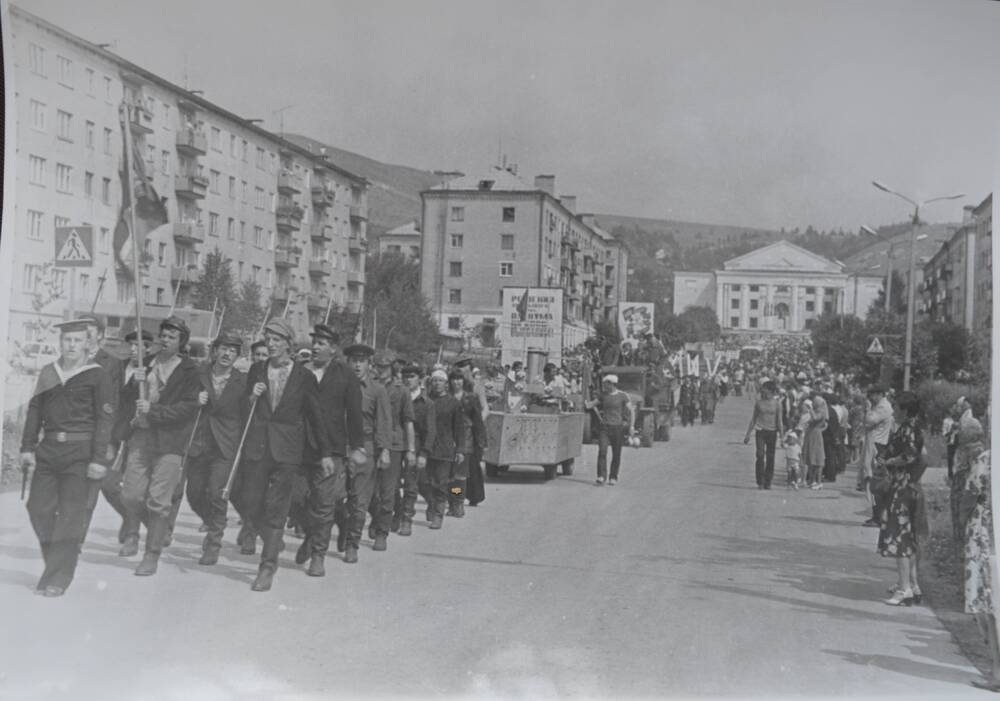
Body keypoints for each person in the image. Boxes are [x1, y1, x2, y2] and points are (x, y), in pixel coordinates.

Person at [21, 319, 115, 596]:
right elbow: (34, 411)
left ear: (88, 343)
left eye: (77, 340)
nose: (72, 346)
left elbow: (105, 420)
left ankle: (59, 576)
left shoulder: (98, 375)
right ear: (60, 342)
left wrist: (99, 459)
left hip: (80, 454)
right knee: (38, 508)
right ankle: (55, 565)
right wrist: (27, 447)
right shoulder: (49, 372)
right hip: (48, 451)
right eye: (67, 340)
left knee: (71, 515)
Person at [240, 319, 322, 591]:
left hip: (287, 450)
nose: (271, 344)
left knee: (276, 507)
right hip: (258, 447)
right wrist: (252, 396)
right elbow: (244, 408)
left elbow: (315, 417)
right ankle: (273, 540)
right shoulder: (256, 370)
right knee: (250, 503)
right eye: (268, 339)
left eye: (276, 340)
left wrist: (324, 453)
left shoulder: (304, 377)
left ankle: (267, 566)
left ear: (289, 344)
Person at [121, 316, 200, 576]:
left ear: (181, 343)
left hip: (170, 442)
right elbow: (128, 399)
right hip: (141, 437)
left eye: (171, 337)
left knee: (158, 501)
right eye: (163, 335)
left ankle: (151, 554)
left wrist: (153, 411)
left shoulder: (190, 371)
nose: (165, 340)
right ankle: (160, 526)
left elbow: (187, 409)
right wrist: (136, 381)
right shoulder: (148, 363)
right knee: (131, 495)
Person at [295, 325, 364, 576]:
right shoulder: (301, 372)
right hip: (300, 448)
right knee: (295, 499)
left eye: (321, 343)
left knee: (324, 504)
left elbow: (355, 415)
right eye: (314, 342)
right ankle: (311, 535)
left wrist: (357, 447)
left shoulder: (346, 375)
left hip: (333, 449)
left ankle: (318, 555)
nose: (315, 347)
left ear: (333, 349)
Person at [184, 334, 247, 566]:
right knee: (194, 494)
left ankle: (213, 543)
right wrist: (194, 399)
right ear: (215, 351)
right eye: (223, 349)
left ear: (237, 356)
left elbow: (247, 411)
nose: (227, 354)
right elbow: (182, 400)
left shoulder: (243, 381)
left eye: (233, 350)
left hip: (225, 446)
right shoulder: (198, 375)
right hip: (200, 442)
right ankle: (213, 523)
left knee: (216, 493)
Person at [340, 343, 390, 563]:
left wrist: (385, 450)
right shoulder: (338, 386)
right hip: (340, 447)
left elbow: (383, 422)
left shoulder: (377, 390)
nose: (357, 365)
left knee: (360, 501)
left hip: (366, 448)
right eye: (353, 360)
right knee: (335, 497)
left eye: (362, 361)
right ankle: (346, 525)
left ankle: (353, 544)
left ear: (370, 364)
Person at [877, 391, 927, 606]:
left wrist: (888, 462)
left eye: (897, 406)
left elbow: (910, 456)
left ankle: (904, 587)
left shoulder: (908, 429)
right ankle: (911, 583)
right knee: (908, 536)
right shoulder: (914, 427)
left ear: (905, 409)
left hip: (902, 486)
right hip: (907, 484)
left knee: (899, 537)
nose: (894, 410)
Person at [961, 446, 999, 691]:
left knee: (989, 603)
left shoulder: (986, 459)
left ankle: (997, 671)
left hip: (985, 532)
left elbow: (968, 497)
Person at [367, 350, 414, 551]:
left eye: (385, 367)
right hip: (371, 442)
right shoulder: (370, 386)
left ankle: (382, 532)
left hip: (394, 444)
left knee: (388, 491)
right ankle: (376, 518)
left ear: (392, 368)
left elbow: (408, 421)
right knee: (368, 491)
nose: (381, 371)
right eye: (378, 367)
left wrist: (411, 449)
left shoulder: (401, 390)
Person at [420, 368, 466, 529]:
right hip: (427, 447)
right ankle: (432, 503)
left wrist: (461, 449)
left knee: (447, 482)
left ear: (446, 384)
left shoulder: (454, 403)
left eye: (440, 381)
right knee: (423, 482)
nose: (437, 384)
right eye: (434, 380)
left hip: (446, 448)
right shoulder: (425, 401)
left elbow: (460, 427)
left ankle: (445, 510)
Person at [395, 365, 430, 536]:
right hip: (396, 445)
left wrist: (423, 453)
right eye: (406, 376)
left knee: (411, 485)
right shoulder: (396, 397)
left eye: (412, 376)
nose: (408, 380)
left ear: (420, 379)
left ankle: (406, 519)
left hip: (415, 447)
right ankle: (395, 515)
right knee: (392, 484)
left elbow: (429, 431)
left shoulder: (426, 403)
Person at [449, 368, 486, 517]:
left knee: (460, 475)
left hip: (466, 439)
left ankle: (458, 502)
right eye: (454, 379)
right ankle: (452, 500)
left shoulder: (470, 398)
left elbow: (477, 421)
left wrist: (481, 441)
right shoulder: (446, 397)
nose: (456, 382)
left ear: (463, 381)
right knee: (450, 476)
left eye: (459, 379)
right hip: (448, 439)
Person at [586, 374, 634, 486]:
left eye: (606, 384)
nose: (604, 386)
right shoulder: (603, 396)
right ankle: (601, 476)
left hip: (618, 428)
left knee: (616, 454)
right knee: (602, 451)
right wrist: (586, 404)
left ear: (611, 384)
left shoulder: (623, 396)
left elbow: (631, 411)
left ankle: (613, 477)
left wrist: (631, 426)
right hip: (605, 428)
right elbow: (591, 405)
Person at [862, 385, 895, 526]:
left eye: (873, 394)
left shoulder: (883, 407)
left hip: (877, 445)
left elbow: (870, 420)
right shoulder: (880, 406)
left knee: (874, 482)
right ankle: (876, 514)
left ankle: (878, 517)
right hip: (874, 443)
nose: (870, 397)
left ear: (880, 394)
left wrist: (868, 408)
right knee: (871, 481)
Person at [744, 380, 783, 490]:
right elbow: (753, 418)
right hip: (760, 431)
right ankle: (760, 481)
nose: (764, 394)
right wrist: (747, 434)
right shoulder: (759, 403)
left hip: (772, 432)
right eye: (762, 392)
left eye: (766, 392)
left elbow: (779, 420)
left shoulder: (777, 404)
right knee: (760, 455)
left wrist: (782, 437)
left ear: (772, 392)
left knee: (771, 457)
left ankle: (768, 481)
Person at [802, 391, 827, 490]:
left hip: (815, 435)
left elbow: (816, 418)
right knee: (811, 459)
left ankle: (819, 481)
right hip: (811, 434)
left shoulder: (820, 411)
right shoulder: (818, 411)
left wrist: (810, 410)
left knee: (817, 459)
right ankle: (812, 480)